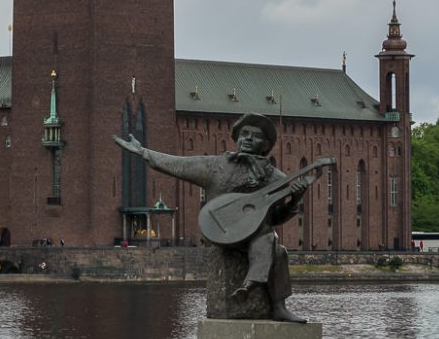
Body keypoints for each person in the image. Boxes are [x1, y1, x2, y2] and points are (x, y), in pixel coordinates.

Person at [114, 112, 312, 323]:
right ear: (236, 139)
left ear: (265, 145)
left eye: (254, 136)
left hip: (253, 237)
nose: (247, 139)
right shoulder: (216, 166)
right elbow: (177, 164)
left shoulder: (276, 178)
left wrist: (294, 201)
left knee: (277, 249)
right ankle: (261, 291)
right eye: (243, 134)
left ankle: (273, 303)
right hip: (220, 233)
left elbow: (274, 218)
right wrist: (143, 152)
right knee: (271, 241)